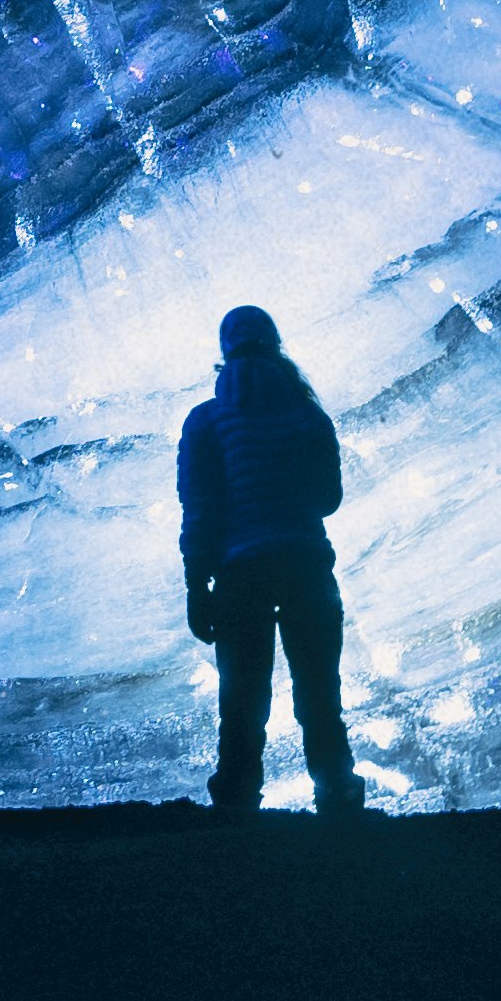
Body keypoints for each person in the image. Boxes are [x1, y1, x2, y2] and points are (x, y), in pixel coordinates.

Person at [178, 303, 361, 820]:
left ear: (224, 351)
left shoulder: (206, 422)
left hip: (241, 575)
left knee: (242, 699)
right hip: (306, 565)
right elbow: (327, 499)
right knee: (320, 690)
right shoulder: (307, 414)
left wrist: (197, 585)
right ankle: (337, 794)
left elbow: (201, 510)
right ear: (275, 344)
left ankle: (237, 803)